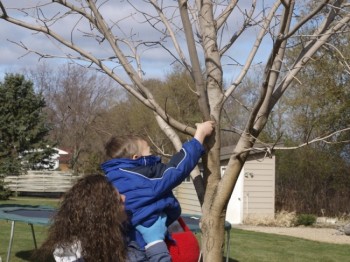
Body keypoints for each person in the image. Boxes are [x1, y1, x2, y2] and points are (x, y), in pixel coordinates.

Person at [101, 121, 215, 251]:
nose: (153, 156)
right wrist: (199, 136)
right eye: (149, 152)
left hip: (126, 242)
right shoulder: (140, 177)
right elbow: (176, 170)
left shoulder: (110, 179)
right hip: (146, 244)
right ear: (136, 158)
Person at [35, 174, 171, 262]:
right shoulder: (80, 255)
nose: (125, 198)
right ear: (104, 215)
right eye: (118, 200)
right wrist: (156, 245)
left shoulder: (110, 242)